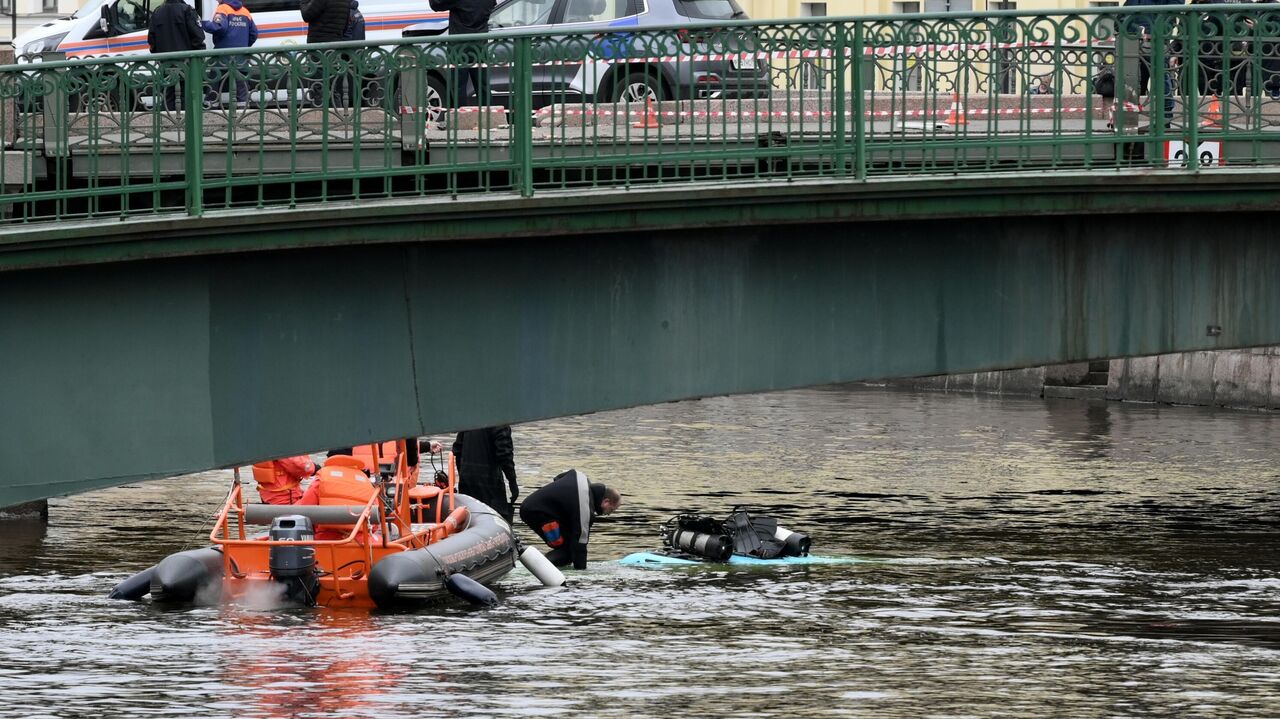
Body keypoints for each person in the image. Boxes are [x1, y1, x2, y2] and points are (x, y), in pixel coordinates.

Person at [519, 469, 621, 569]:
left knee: (569, 543)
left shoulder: (581, 477)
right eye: (611, 510)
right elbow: (581, 545)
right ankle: (538, 568)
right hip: (537, 513)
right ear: (606, 502)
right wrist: (582, 574)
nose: (608, 514)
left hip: (532, 504)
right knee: (567, 550)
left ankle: (545, 565)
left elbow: (558, 478)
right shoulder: (585, 509)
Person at [296, 449, 377, 540]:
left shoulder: (323, 477)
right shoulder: (366, 481)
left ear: (330, 457)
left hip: (326, 540)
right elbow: (375, 522)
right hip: (360, 542)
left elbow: (304, 509)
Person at [428, 0, 496, 107]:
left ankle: (459, 117)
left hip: (459, 47)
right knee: (483, 87)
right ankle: (489, 117)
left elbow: (436, 5)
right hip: (480, 45)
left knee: (458, 87)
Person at [451, 426, 518, 523]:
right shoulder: (500, 422)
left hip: (467, 481)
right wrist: (512, 482)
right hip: (490, 483)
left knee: (469, 518)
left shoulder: (469, 420)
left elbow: (457, 450)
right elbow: (505, 455)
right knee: (495, 519)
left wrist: (463, 474)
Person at [147, 0, 206, 110]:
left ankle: (169, 124)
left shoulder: (157, 12)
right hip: (187, 64)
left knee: (168, 96)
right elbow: (198, 37)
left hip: (166, 65)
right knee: (187, 97)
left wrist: (160, 55)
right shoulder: (187, 10)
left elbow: (151, 40)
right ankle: (185, 125)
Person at [202, 0, 259, 107]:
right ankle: (243, 107)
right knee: (241, 81)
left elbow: (220, 27)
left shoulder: (223, 8)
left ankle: (211, 103)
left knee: (215, 77)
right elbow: (254, 34)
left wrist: (204, 24)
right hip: (240, 54)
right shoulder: (245, 11)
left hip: (223, 53)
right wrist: (244, 45)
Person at [301, 0, 355, 106]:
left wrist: (303, 2)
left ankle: (321, 117)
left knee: (318, 86)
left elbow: (306, 15)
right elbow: (346, 25)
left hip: (319, 48)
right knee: (333, 85)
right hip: (335, 46)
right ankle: (339, 116)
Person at [250, 455, 317, 505]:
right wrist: (314, 468)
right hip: (284, 496)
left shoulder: (261, 439)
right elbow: (298, 464)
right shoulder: (281, 441)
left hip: (266, 494)